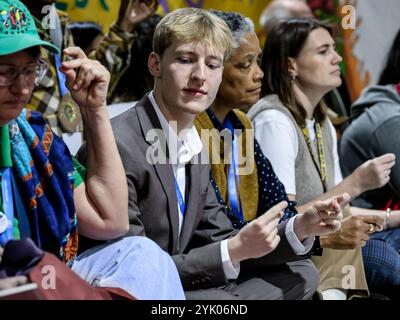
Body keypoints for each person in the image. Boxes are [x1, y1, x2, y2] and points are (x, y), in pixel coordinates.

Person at [78, 8, 349, 300]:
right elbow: (135, 267)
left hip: (188, 280)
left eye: (212, 64)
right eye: (185, 60)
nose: (199, 76)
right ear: (155, 64)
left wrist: (299, 227)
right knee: (222, 301)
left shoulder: (194, 139)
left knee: (301, 272)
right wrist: (232, 250)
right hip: (133, 288)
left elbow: (216, 236)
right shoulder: (120, 142)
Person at [0, 0, 184, 300]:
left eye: (31, 70)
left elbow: (110, 221)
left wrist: (94, 109)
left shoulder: (31, 133)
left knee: (143, 255)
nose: (22, 87)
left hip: (39, 276)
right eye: (7, 72)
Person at [247, 17, 396, 300]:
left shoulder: (322, 122)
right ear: (291, 65)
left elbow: (342, 213)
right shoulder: (274, 121)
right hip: (297, 257)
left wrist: (393, 218)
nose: (337, 58)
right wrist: (356, 183)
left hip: (331, 247)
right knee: (382, 257)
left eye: (334, 49)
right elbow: (281, 220)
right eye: (323, 51)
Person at [20, 0, 157, 136]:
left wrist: (125, 26)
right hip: (29, 152)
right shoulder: (10, 27)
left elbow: (87, 81)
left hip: (63, 151)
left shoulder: (55, 22)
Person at [340, 27, 400, 298]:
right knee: (379, 260)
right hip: (368, 235)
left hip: (385, 228)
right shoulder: (389, 120)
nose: (335, 59)